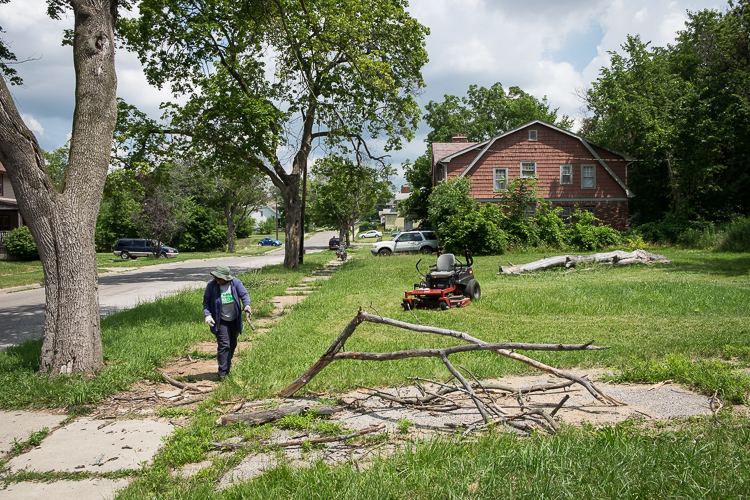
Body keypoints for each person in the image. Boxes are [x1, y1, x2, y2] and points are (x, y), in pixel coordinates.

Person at [202, 265, 251, 380]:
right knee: (224, 345)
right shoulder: (212, 286)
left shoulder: (235, 283)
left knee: (233, 344)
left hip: (234, 318)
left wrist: (247, 305)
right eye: (216, 278)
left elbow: (244, 295)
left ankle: (227, 364)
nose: (217, 281)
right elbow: (206, 302)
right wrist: (207, 315)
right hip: (220, 320)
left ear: (226, 278)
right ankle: (222, 373)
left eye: (219, 279)